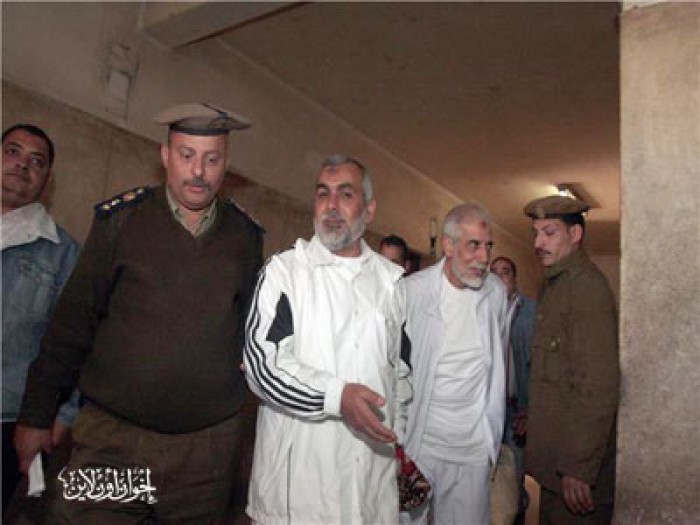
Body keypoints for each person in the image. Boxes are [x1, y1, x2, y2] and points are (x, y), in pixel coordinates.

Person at [14, 103, 264, 522]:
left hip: (203, 460)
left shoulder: (245, 238)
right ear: (165, 156)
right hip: (112, 445)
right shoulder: (121, 222)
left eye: (212, 159)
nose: (198, 171)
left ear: (226, 165)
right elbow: (71, 326)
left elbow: (247, 335)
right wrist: (36, 416)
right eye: (186, 155)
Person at [244, 154, 412, 524]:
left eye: (345, 194)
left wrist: (398, 437)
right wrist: (338, 397)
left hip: (371, 493)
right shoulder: (285, 272)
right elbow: (262, 368)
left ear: (369, 210)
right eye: (323, 194)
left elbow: (400, 373)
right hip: (296, 498)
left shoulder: (392, 283)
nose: (331, 206)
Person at [401, 203, 507, 525]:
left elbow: (496, 364)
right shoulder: (412, 292)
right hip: (422, 447)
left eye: (488, 246)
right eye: (473, 245)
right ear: (448, 245)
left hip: (473, 451)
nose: (484, 257)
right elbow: (394, 371)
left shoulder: (495, 293)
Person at [523, 195, 619, 524]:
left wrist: (579, 466)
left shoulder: (586, 288)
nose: (538, 243)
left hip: (574, 477)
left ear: (575, 234)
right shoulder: (555, 286)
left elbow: (599, 385)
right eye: (536, 233)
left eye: (549, 233)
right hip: (556, 470)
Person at [2, 124, 80, 516]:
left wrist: (62, 416)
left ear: (46, 178)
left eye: (36, 161)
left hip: (7, 418)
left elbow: (76, 344)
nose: (22, 165)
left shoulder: (62, 254)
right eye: (12, 152)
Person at [490, 256, 537, 518]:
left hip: (517, 410)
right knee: (490, 481)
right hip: (489, 410)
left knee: (515, 478)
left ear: (515, 278)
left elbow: (539, 366)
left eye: (505, 272)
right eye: (494, 273)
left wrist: (532, 407)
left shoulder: (531, 312)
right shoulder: (481, 310)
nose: (499, 278)